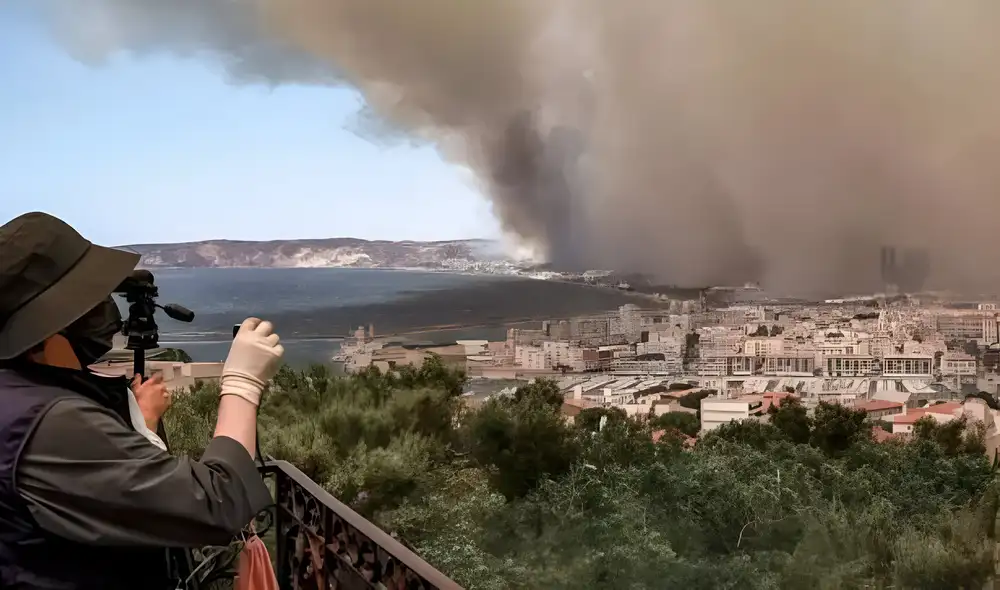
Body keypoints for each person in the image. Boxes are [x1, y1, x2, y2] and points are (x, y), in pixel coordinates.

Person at [0, 212, 284, 589]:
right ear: (51, 325)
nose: (102, 315)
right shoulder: (48, 422)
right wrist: (242, 383)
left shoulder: (17, 398)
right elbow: (217, 503)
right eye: (87, 303)